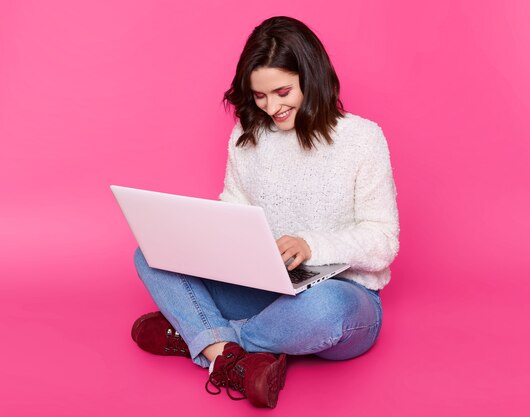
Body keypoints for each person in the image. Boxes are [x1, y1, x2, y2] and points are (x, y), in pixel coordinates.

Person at [131, 16, 399, 409]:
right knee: (150, 254)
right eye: (260, 96)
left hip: (340, 296)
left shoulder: (362, 139)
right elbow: (233, 209)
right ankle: (235, 357)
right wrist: (204, 237)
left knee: (327, 309)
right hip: (262, 287)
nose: (271, 107)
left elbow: (383, 241)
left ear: (311, 75)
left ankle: (206, 340)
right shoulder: (247, 136)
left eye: (282, 91)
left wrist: (310, 246)